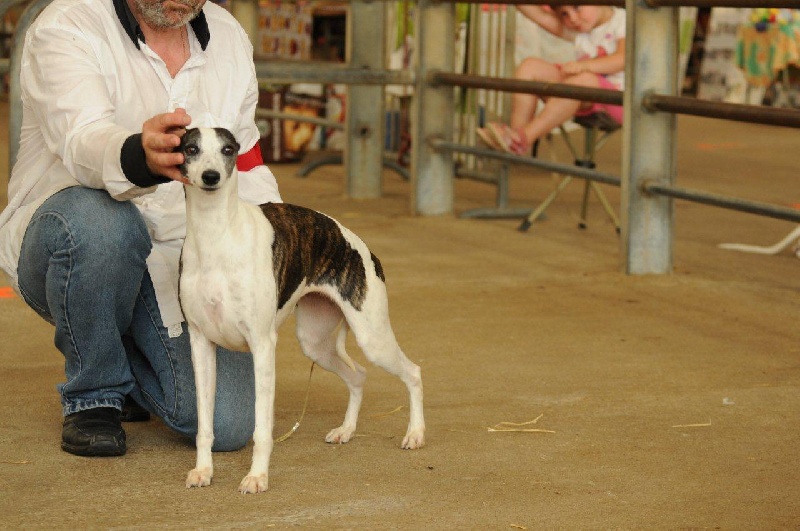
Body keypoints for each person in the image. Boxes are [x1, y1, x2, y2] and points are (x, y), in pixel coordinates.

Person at [0, 0, 282, 457]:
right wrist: (139, 156)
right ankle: (95, 393)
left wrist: (278, 249)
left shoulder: (229, 35)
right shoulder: (68, 23)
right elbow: (82, 139)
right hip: (74, 236)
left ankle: (124, 350)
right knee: (104, 223)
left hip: (180, 255)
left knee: (229, 425)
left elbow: (245, 161)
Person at [477, 5, 625, 155]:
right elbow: (541, 17)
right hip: (582, 97)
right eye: (564, 14)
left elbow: (623, 59)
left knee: (583, 80)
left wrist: (584, 66)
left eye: (577, 7)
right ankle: (514, 135)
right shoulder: (580, 30)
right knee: (530, 66)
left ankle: (525, 137)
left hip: (619, 101)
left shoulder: (622, 20)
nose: (572, 18)